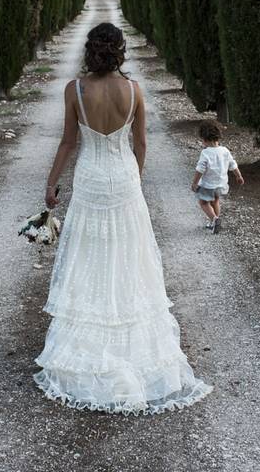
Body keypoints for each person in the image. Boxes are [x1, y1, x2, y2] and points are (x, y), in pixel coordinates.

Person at [34, 22, 212, 415]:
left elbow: (69, 142)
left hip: (91, 178)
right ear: (119, 50)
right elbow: (141, 142)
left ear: (91, 50)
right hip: (124, 177)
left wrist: (51, 184)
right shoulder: (133, 90)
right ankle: (131, 336)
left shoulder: (75, 90)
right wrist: (136, 177)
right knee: (129, 254)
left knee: (89, 253)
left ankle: (90, 339)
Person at [190, 120, 244, 234]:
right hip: (221, 185)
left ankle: (215, 220)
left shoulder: (206, 153)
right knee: (215, 201)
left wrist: (195, 183)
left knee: (203, 203)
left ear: (204, 139)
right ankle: (215, 222)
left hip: (208, 185)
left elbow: (200, 170)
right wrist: (238, 176)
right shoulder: (225, 151)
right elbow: (232, 164)